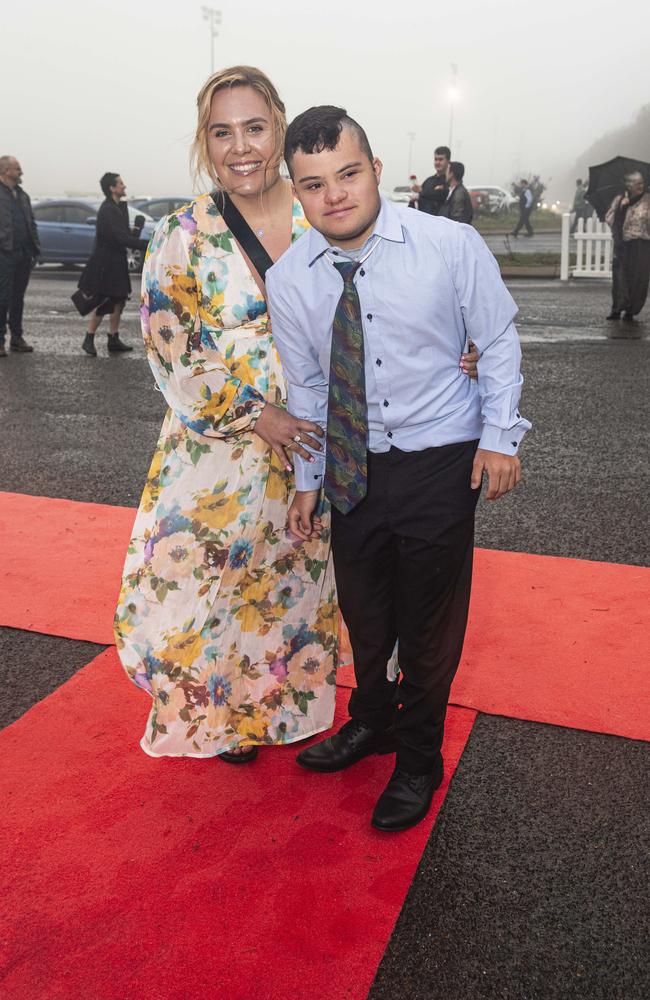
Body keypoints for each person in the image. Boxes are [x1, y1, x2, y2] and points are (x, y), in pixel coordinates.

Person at [113, 67, 479, 764]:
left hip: (329, 445)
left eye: (254, 128)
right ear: (205, 142)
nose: (241, 147)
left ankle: (297, 709)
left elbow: (414, 291)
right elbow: (173, 345)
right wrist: (257, 416)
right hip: (222, 453)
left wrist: (459, 344)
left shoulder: (327, 207)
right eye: (222, 133)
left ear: (279, 126)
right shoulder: (182, 234)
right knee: (214, 588)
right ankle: (225, 715)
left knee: (302, 589)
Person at [266, 106, 530, 832]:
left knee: (427, 628)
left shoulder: (450, 245)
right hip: (352, 469)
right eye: (314, 184)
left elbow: (496, 341)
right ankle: (373, 723)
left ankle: (418, 759)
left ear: (377, 170)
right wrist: (308, 483)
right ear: (297, 190)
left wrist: (500, 439)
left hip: (439, 461)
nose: (336, 196)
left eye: (348, 174)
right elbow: (310, 390)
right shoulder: (291, 280)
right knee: (366, 616)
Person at [76, 172, 147, 356]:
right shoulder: (108, 209)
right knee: (105, 301)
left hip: (117, 261)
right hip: (105, 262)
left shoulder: (117, 207)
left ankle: (113, 338)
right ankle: (89, 338)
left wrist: (137, 229)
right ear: (112, 188)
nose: (124, 186)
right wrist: (148, 244)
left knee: (119, 300)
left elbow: (126, 236)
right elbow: (120, 238)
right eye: (121, 183)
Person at [0, 156, 39, 357]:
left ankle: (17, 338)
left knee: (18, 298)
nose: (21, 172)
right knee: (2, 297)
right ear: (6, 170)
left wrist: (35, 247)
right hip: (4, 254)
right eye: (17, 168)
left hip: (24, 254)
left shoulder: (22, 195)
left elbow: (31, 222)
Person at [605, 171, 650, 322]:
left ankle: (631, 310)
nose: (641, 186)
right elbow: (610, 219)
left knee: (638, 277)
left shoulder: (647, 199)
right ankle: (617, 308)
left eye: (642, 183)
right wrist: (621, 208)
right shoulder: (619, 199)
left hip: (641, 243)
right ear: (628, 185)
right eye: (637, 184)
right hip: (622, 243)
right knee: (619, 277)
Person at [413, 146, 450, 215]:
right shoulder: (428, 181)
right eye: (436, 159)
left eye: (441, 159)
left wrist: (421, 191)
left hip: (439, 221)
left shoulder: (449, 181)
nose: (438, 162)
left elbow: (441, 196)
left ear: (448, 161)